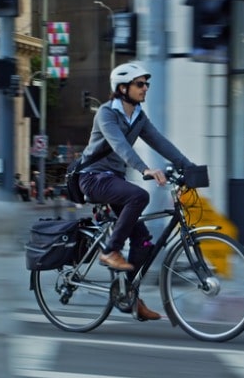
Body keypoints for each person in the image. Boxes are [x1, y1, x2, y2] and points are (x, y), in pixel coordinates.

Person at [77, 61, 196, 321]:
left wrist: (188, 166)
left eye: (146, 84)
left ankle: (128, 295)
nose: (145, 88)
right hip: (93, 177)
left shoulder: (138, 116)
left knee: (143, 244)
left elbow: (160, 142)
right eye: (139, 84)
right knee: (139, 195)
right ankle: (110, 250)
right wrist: (145, 169)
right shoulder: (106, 114)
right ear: (122, 88)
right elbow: (121, 146)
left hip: (113, 181)